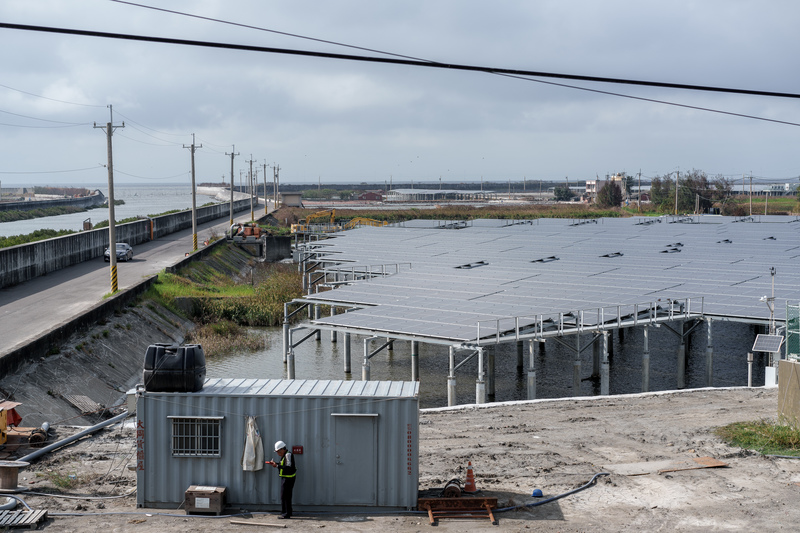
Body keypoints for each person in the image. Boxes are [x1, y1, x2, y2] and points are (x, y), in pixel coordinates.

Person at [266, 440, 296, 519]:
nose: (277, 453)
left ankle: (286, 514)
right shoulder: (285, 455)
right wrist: (276, 464)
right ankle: (287, 511)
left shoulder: (288, 455)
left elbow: (288, 467)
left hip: (288, 478)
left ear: (282, 449)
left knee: (285, 496)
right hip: (286, 478)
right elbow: (284, 465)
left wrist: (277, 466)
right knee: (286, 496)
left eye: (278, 451)